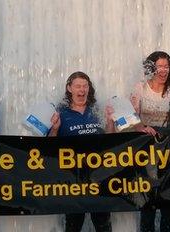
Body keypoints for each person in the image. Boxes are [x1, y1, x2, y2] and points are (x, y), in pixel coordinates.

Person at [130, 51, 170, 232]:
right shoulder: (140, 87)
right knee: (147, 199)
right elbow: (133, 117)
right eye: (159, 66)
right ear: (151, 68)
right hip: (146, 150)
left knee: (169, 199)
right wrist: (141, 127)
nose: (163, 70)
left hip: (169, 150)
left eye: (166, 66)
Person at [48, 71, 114, 232]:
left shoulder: (96, 111)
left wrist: (110, 122)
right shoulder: (60, 113)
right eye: (78, 86)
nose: (82, 90)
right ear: (69, 88)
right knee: (73, 223)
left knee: (103, 222)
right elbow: (48, 146)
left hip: (98, 177)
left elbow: (111, 141)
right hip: (72, 179)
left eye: (85, 86)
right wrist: (55, 129)